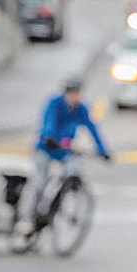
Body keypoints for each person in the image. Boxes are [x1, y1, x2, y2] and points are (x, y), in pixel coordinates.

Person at [15, 75, 110, 235]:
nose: (74, 96)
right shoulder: (55, 103)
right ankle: (26, 218)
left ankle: (55, 205)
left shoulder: (81, 108)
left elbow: (93, 128)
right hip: (46, 148)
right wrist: (49, 136)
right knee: (39, 181)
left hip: (65, 150)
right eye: (72, 93)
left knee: (71, 173)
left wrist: (103, 150)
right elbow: (48, 122)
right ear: (66, 93)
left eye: (77, 93)